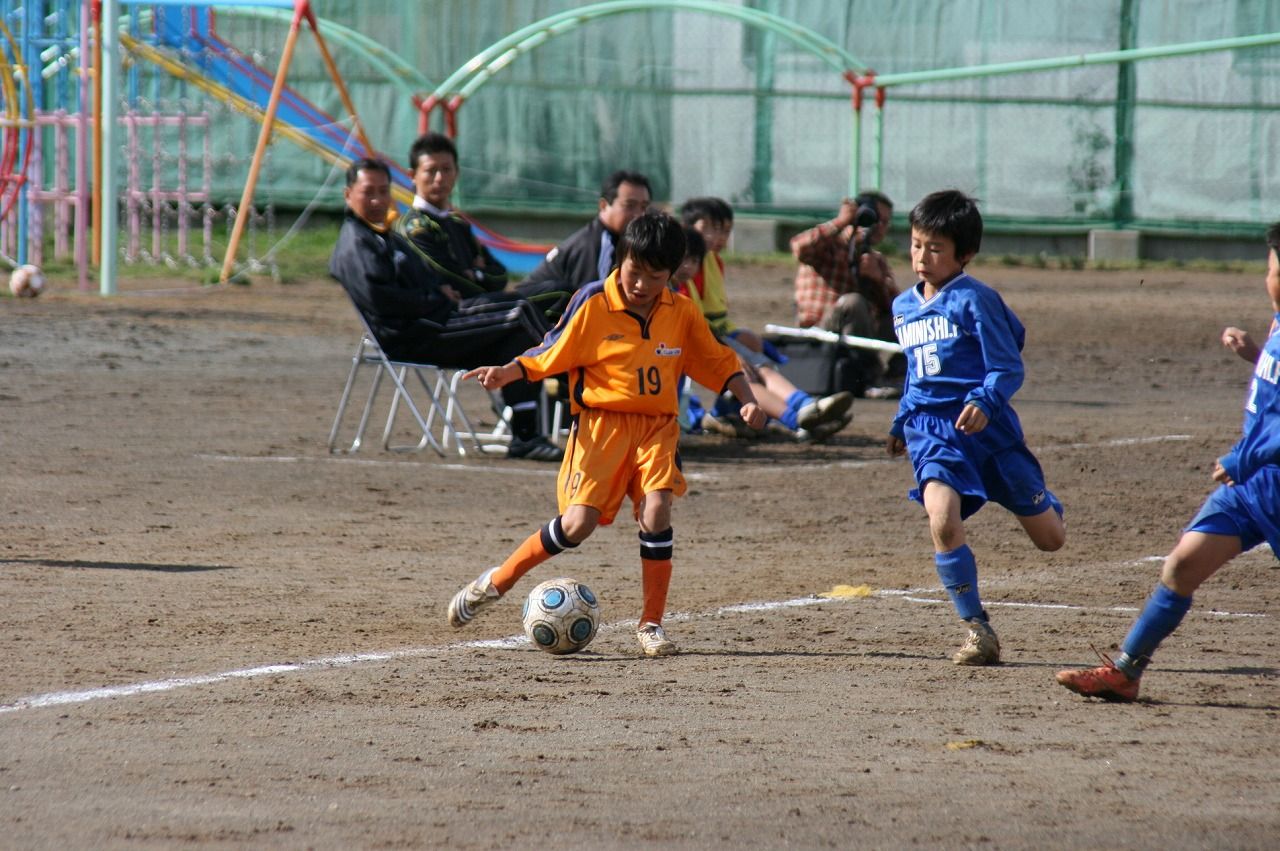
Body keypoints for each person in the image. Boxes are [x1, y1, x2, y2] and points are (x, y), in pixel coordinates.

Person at [447, 211, 766, 656]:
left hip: (657, 429)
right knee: (578, 526)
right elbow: (551, 349)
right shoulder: (594, 302)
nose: (640, 284)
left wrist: (746, 398)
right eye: (634, 272)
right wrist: (509, 371)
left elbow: (718, 360)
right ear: (622, 259)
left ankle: (651, 624)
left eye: (654, 277)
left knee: (657, 512)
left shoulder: (682, 312)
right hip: (600, 427)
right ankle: (499, 580)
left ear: (672, 277)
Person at [1056, 222, 1280, 702]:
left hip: (1258, 472)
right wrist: (1257, 356)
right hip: (1252, 485)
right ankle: (1126, 671)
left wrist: (1244, 456)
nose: (1269, 280)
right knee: (1181, 567)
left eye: (1274, 270)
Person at [887, 189, 1066, 666]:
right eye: (916, 244)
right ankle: (977, 629)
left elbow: (1008, 365)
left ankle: (1044, 503)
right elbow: (915, 371)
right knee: (941, 520)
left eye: (936, 248)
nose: (922, 257)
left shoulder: (976, 299)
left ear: (964, 254)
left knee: (1051, 540)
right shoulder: (902, 306)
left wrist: (986, 399)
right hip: (933, 432)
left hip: (988, 434)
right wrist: (901, 420)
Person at [328, 157, 562, 462]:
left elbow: (484, 274)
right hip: (418, 333)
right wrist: (433, 296)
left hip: (438, 318)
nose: (377, 200)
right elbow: (381, 299)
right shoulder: (355, 243)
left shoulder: (385, 234)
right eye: (368, 191)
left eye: (383, 191)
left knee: (531, 313)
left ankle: (527, 434)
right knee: (520, 313)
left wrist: (437, 289)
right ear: (348, 194)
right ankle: (575, 394)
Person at [674, 226, 852, 441]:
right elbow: (695, 337)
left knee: (757, 366)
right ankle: (798, 422)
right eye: (682, 259)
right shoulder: (669, 293)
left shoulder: (686, 286)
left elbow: (706, 328)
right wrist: (729, 355)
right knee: (741, 376)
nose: (687, 266)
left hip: (709, 346)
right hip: (689, 356)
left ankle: (805, 406)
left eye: (693, 261)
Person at [791, 190, 903, 397]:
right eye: (876, 219)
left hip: (855, 334)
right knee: (853, 302)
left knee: (908, 315)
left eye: (886, 222)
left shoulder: (874, 258)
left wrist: (878, 281)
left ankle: (897, 376)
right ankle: (872, 378)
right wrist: (841, 222)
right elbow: (799, 247)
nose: (880, 226)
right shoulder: (829, 244)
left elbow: (897, 308)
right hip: (818, 330)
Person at [516, 170, 652, 319]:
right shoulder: (597, 245)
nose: (638, 214)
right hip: (527, 319)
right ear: (603, 205)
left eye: (643, 207)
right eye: (630, 205)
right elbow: (594, 302)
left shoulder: (623, 240)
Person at [396, 132, 508, 299]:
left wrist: (476, 274)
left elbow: (501, 275)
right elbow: (452, 280)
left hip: (481, 306)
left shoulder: (458, 223)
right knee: (525, 303)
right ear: (412, 176)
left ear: (457, 173)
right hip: (454, 316)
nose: (440, 178)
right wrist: (479, 277)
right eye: (431, 170)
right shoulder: (415, 227)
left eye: (446, 169)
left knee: (551, 287)